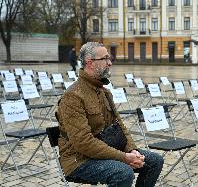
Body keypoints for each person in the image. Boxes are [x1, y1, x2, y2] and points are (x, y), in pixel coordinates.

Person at [57, 42, 164, 187]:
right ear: (90, 63)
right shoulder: (73, 96)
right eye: (105, 59)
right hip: (79, 160)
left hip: (105, 149)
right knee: (123, 173)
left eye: (110, 59)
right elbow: (83, 143)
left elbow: (120, 126)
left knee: (155, 161)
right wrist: (124, 157)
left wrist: (131, 149)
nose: (110, 63)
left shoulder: (104, 92)